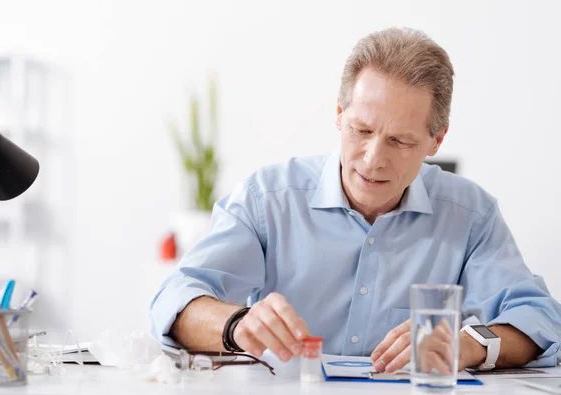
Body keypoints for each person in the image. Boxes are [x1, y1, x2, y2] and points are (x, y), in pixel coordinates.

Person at [150, 27, 561, 373]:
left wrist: (469, 343)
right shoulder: (268, 199)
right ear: (339, 113)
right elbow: (176, 298)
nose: (373, 159)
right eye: (361, 130)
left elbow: (540, 321)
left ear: (437, 140)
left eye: (400, 141)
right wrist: (236, 324)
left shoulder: (471, 216)